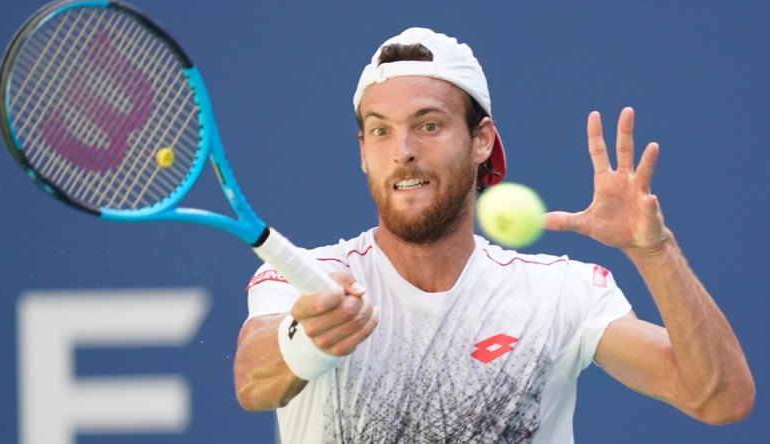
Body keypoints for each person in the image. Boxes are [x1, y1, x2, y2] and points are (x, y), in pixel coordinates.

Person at [234, 27, 754, 443]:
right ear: (363, 151)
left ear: (482, 140)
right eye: (380, 130)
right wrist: (308, 338)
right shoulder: (308, 281)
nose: (403, 150)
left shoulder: (561, 294)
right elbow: (253, 383)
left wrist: (654, 251)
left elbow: (720, 399)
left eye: (429, 125)